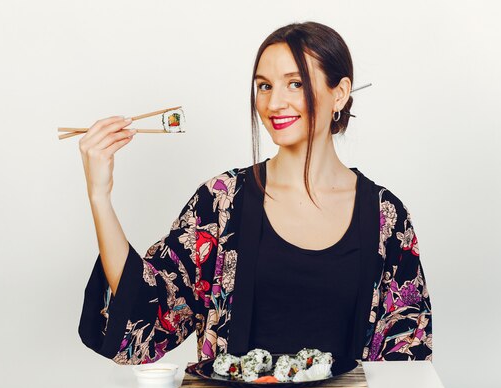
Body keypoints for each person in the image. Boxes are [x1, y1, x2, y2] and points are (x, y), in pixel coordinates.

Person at [77, 21, 432, 365]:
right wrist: (99, 196)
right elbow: (147, 315)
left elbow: (406, 355)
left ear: (339, 92)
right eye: (264, 86)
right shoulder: (221, 201)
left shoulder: (386, 217)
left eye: (295, 83)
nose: (275, 103)